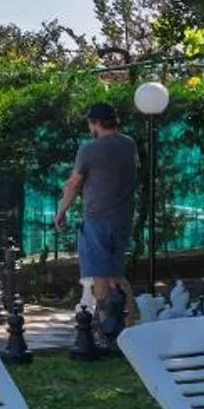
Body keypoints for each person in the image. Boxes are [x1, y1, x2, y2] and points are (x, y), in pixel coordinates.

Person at [54, 102, 138, 313]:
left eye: (90, 124)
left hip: (97, 220)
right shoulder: (129, 144)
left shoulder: (89, 149)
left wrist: (61, 211)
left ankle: (105, 329)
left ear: (96, 123)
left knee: (99, 276)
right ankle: (129, 326)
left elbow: (74, 183)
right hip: (122, 220)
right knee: (116, 276)